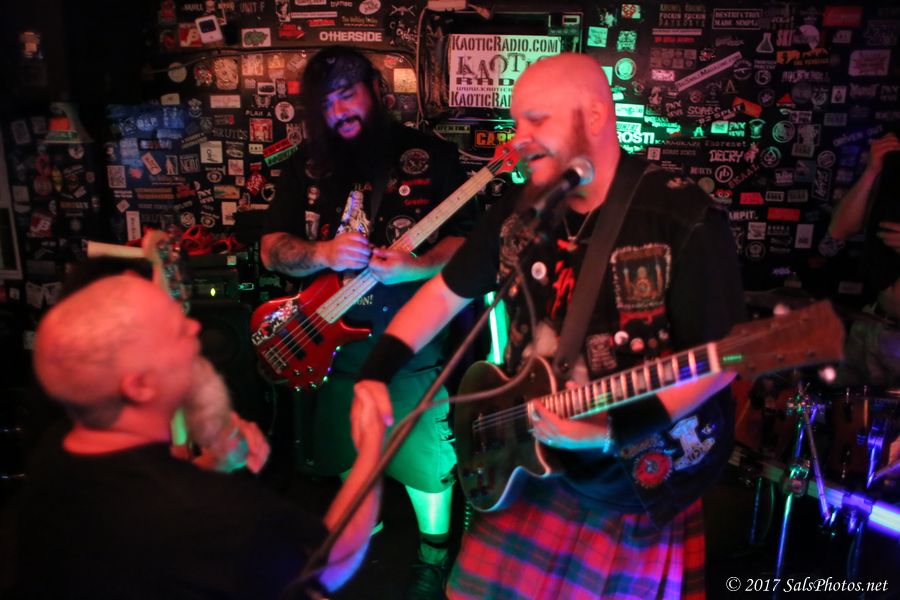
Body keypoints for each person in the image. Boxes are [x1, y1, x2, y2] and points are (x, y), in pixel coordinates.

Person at [354, 53, 745, 598]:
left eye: (536, 120)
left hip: (631, 481)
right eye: (517, 122)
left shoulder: (681, 216)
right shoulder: (522, 209)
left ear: (595, 116)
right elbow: (445, 292)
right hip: (527, 457)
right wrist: (376, 372)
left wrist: (607, 431)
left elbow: (721, 363)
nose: (518, 139)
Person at [13, 274, 390, 599]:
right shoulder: (215, 514)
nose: (194, 329)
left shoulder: (57, 449)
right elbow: (329, 564)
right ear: (139, 386)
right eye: (173, 330)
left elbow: (149, 504)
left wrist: (214, 463)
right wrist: (372, 445)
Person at [260, 46, 472, 597]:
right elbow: (271, 249)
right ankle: (363, 534)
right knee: (341, 451)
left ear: (376, 89)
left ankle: (432, 554)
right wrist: (323, 253)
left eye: (347, 95)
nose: (339, 111)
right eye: (326, 104)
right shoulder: (305, 166)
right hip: (328, 348)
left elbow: (468, 241)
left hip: (410, 345)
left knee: (425, 462)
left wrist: (417, 266)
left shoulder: (432, 157)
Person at [829, 131, 900, 385]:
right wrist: (872, 171)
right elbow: (839, 229)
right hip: (875, 323)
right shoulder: (893, 164)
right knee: (847, 405)